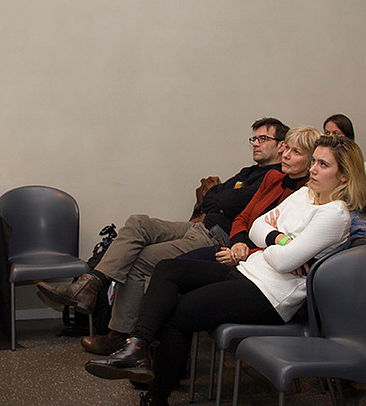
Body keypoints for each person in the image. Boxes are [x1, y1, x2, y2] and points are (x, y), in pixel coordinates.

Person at [84, 135, 366, 406]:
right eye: (314, 161)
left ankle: (157, 404)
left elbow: (284, 261)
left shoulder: (334, 215)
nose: (313, 169)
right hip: (250, 271)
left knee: (175, 315)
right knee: (168, 269)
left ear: (343, 176)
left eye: (323, 165)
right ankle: (137, 346)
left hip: (271, 297)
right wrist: (281, 241)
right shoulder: (305, 196)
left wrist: (277, 247)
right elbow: (259, 225)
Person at [37, 118, 289, 352]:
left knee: (143, 259)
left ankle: (118, 335)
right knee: (138, 222)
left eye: (263, 139)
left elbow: (226, 199)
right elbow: (209, 196)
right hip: (199, 226)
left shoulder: (275, 178)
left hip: (217, 238)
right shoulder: (247, 172)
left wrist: (222, 197)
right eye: (253, 139)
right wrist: (222, 197)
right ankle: (90, 284)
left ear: (281, 146)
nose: (255, 144)